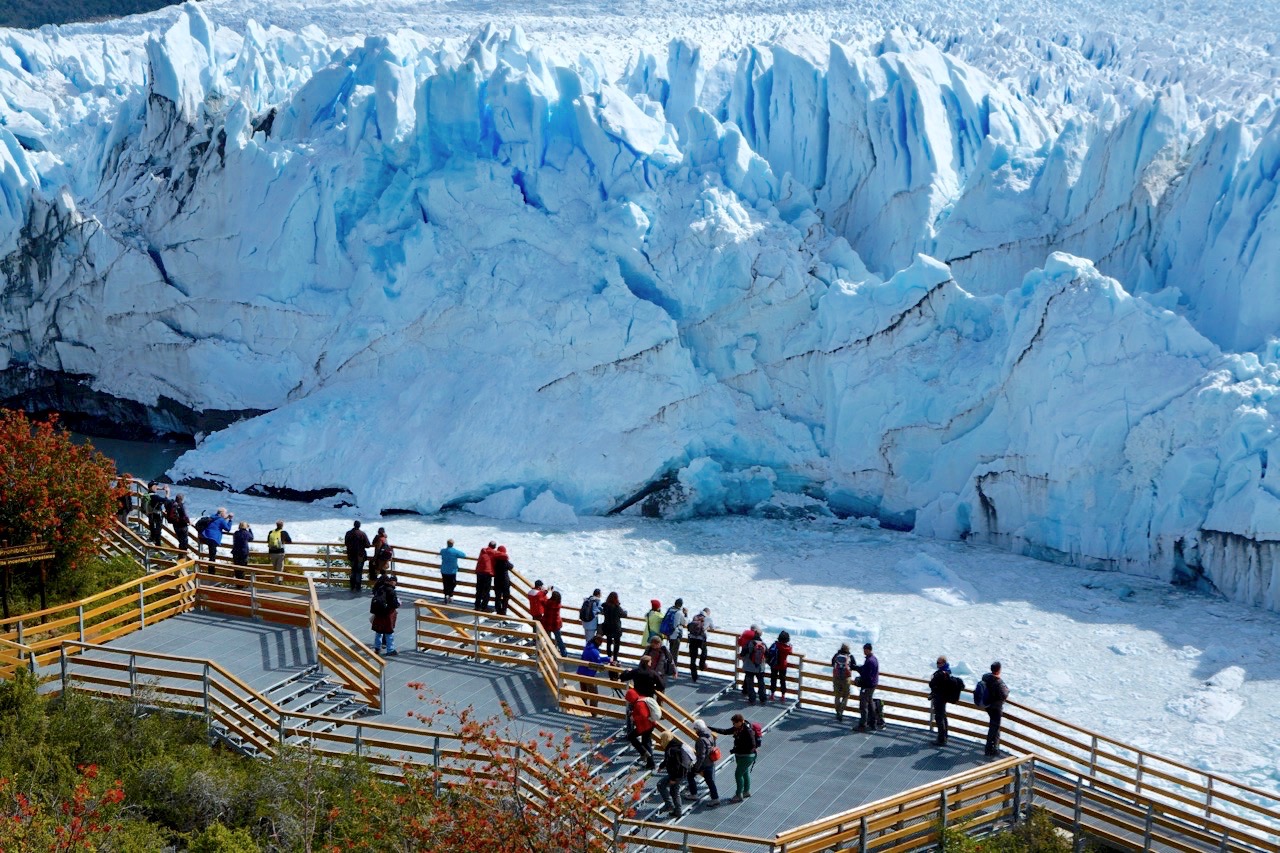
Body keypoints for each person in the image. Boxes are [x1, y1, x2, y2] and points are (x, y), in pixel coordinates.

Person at [711, 713, 757, 803]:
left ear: (740, 722)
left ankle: (739, 795)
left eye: (734, 723)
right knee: (745, 772)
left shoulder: (747, 731)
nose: (733, 725)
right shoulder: (738, 728)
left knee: (738, 774)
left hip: (746, 756)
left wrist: (737, 749)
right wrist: (710, 728)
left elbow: (752, 745)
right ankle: (746, 791)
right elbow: (725, 731)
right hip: (741, 755)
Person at [655, 731, 689, 817]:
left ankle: (670, 806)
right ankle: (676, 810)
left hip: (677, 775)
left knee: (663, 786)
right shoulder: (675, 745)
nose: (661, 741)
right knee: (674, 791)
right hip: (681, 773)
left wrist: (674, 779)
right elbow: (668, 760)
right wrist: (661, 766)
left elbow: (676, 765)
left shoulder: (672, 749)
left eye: (662, 739)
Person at [687, 719, 720, 806]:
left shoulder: (701, 740)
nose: (695, 731)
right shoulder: (710, 735)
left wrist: (696, 768)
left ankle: (695, 794)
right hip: (711, 762)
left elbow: (701, 756)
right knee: (710, 781)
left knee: (690, 774)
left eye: (695, 729)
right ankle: (715, 798)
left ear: (698, 729)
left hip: (704, 764)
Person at [576, 634, 612, 708]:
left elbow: (596, 659)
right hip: (588, 675)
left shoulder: (588, 646)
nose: (600, 644)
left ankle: (582, 708)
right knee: (594, 695)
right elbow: (599, 665)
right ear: (597, 641)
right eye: (600, 642)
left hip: (581, 672)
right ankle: (593, 712)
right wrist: (608, 665)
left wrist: (607, 659)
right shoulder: (594, 651)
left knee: (583, 692)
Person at [624, 687, 656, 769]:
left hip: (645, 726)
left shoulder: (639, 704)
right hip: (648, 725)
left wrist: (633, 717)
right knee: (645, 743)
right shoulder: (641, 699)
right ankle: (648, 759)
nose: (628, 701)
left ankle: (647, 758)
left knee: (633, 737)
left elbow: (643, 715)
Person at [982, 662, 1010, 756]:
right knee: (994, 728)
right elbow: (1005, 694)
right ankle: (989, 749)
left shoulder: (986, 677)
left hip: (988, 706)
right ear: (999, 670)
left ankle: (995, 747)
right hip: (996, 708)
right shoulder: (998, 682)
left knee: (995, 727)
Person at [370, 572, 401, 656]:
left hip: (379, 613)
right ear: (392, 582)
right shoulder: (391, 591)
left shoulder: (381, 588)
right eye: (394, 581)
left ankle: (377, 648)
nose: (395, 583)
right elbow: (394, 604)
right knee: (389, 632)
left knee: (379, 631)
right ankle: (390, 650)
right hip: (387, 614)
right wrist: (398, 603)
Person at [853, 643, 880, 732]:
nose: (864, 651)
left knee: (863, 705)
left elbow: (866, 674)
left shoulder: (869, 661)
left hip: (867, 685)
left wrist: (860, 680)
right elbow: (866, 671)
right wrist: (858, 668)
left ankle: (863, 724)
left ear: (869, 650)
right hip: (873, 684)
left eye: (865, 650)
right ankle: (873, 722)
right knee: (870, 703)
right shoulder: (873, 659)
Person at [928, 656, 954, 746]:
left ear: (943, 663)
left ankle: (941, 739)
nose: (937, 664)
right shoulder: (948, 672)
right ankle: (944, 736)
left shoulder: (940, 674)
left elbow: (932, 684)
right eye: (937, 662)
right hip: (944, 697)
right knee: (943, 716)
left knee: (939, 718)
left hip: (939, 697)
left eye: (939, 663)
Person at [740, 630, 767, 705]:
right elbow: (767, 654)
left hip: (749, 667)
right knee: (761, 683)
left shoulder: (749, 643)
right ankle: (763, 698)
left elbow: (742, 653)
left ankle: (752, 699)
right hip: (760, 667)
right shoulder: (763, 644)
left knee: (750, 684)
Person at [344, 521, 371, 593]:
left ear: (354, 525)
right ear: (359, 526)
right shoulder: (362, 534)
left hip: (351, 555)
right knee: (359, 571)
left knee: (353, 570)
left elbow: (346, 543)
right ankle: (358, 587)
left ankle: (352, 586)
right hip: (360, 556)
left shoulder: (348, 533)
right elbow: (368, 545)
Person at [831, 643, 855, 722]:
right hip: (846, 679)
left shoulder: (836, 655)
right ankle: (841, 711)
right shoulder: (850, 656)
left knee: (837, 696)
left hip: (836, 678)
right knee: (846, 695)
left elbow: (832, 663)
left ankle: (837, 711)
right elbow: (854, 666)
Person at [767, 631, 794, 702]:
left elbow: (769, 651)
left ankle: (772, 694)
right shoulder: (788, 647)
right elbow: (790, 652)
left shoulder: (776, 644)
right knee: (783, 680)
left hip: (774, 665)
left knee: (773, 679)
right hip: (783, 665)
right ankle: (783, 695)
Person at [600, 592, 626, 662]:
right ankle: (615, 659)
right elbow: (624, 614)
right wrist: (625, 611)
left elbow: (602, 611)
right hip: (616, 628)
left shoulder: (605, 606)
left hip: (607, 627)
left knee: (609, 643)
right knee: (616, 644)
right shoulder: (617, 607)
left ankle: (609, 658)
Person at [438, 539, 466, 604]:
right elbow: (463, 555)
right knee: (452, 583)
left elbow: (441, 552)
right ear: (453, 544)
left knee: (445, 583)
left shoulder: (443, 550)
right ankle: (450, 595)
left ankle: (446, 595)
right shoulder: (455, 551)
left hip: (444, 570)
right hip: (452, 571)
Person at [541, 590, 567, 655]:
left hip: (547, 623)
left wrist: (546, 591)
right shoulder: (558, 604)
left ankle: (549, 653)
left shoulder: (547, 603)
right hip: (556, 624)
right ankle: (564, 653)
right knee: (559, 639)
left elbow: (541, 599)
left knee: (548, 640)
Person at [474, 541, 497, 612]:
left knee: (479, 590)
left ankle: (477, 606)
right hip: (487, 573)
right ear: (494, 547)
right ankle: (484, 607)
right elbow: (504, 556)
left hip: (479, 572)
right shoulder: (494, 553)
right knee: (486, 591)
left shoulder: (483, 551)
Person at [664, 599, 688, 666]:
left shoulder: (670, 610)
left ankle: (668, 667)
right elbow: (685, 623)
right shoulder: (679, 612)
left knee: (670, 651)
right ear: (681, 605)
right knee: (674, 654)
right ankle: (672, 668)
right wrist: (686, 614)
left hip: (669, 634)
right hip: (676, 635)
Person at [686, 610, 708, 682]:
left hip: (692, 639)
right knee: (704, 651)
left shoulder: (695, 617)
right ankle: (701, 665)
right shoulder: (707, 619)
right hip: (700, 640)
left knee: (693, 658)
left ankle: (694, 676)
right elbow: (711, 627)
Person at [736, 624, 758, 697]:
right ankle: (746, 689)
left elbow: (739, 642)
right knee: (750, 673)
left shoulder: (745, 633)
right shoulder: (755, 635)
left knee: (747, 672)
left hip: (744, 655)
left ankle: (745, 688)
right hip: (752, 656)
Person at [492, 545, 514, 616]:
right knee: (506, 596)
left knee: (497, 596)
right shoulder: (505, 560)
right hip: (505, 581)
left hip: (497, 580)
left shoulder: (495, 560)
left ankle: (498, 610)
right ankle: (504, 611)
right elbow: (511, 566)